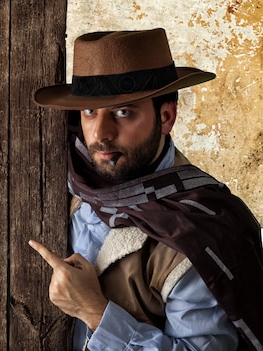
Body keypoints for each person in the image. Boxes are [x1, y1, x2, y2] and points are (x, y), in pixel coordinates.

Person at [29, 28, 263, 350]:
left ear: (166, 117)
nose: (100, 133)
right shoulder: (68, 176)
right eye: (89, 111)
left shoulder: (196, 234)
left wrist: (96, 313)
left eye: (123, 112)